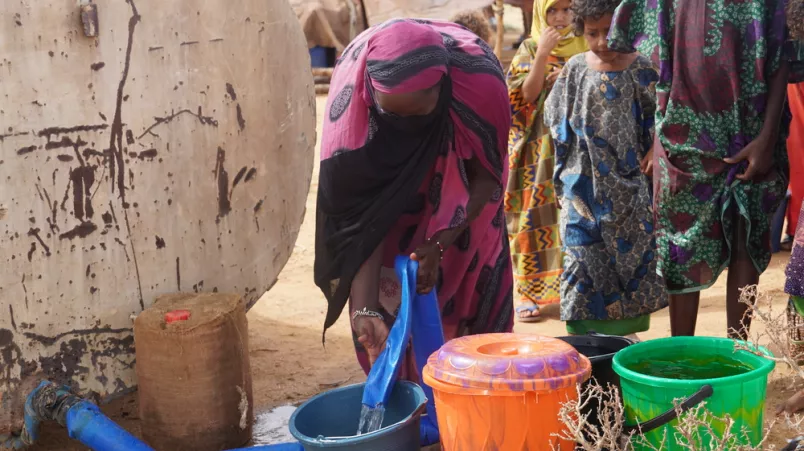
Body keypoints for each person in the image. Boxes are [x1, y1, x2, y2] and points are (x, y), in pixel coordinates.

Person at [314, 19, 514, 375]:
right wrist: (364, 310)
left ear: (442, 90)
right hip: (391, 215)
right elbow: (362, 218)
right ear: (372, 96)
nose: (406, 130)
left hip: (466, 198)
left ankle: (476, 390)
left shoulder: (479, 86)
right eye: (392, 115)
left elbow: (487, 178)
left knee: (472, 310)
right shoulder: (353, 113)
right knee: (390, 304)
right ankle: (404, 393)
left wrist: (442, 241)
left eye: (419, 115)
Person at [608, 0, 804, 339]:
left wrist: (767, 137)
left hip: (751, 129)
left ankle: (738, 353)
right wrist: (659, 133)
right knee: (680, 246)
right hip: (682, 133)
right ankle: (681, 355)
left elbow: (784, 55)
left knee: (746, 236)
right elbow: (642, 47)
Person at [544, 0, 668, 337]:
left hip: (628, 191)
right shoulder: (573, 69)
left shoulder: (643, 69)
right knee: (580, 264)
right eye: (593, 33)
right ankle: (583, 347)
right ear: (580, 30)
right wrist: (562, 182)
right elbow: (556, 121)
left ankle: (624, 342)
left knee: (629, 265)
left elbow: (663, 115)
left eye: (610, 32)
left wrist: (657, 146)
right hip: (580, 189)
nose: (602, 42)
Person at [505, 0, 587, 322]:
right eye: (553, 10)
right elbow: (525, 95)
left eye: (567, 10)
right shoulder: (529, 45)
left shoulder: (588, 44)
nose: (560, 18)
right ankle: (527, 292)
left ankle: (573, 291)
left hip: (578, 150)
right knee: (533, 219)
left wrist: (569, 75)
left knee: (576, 218)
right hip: (538, 154)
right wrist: (542, 55)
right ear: (541, 13)